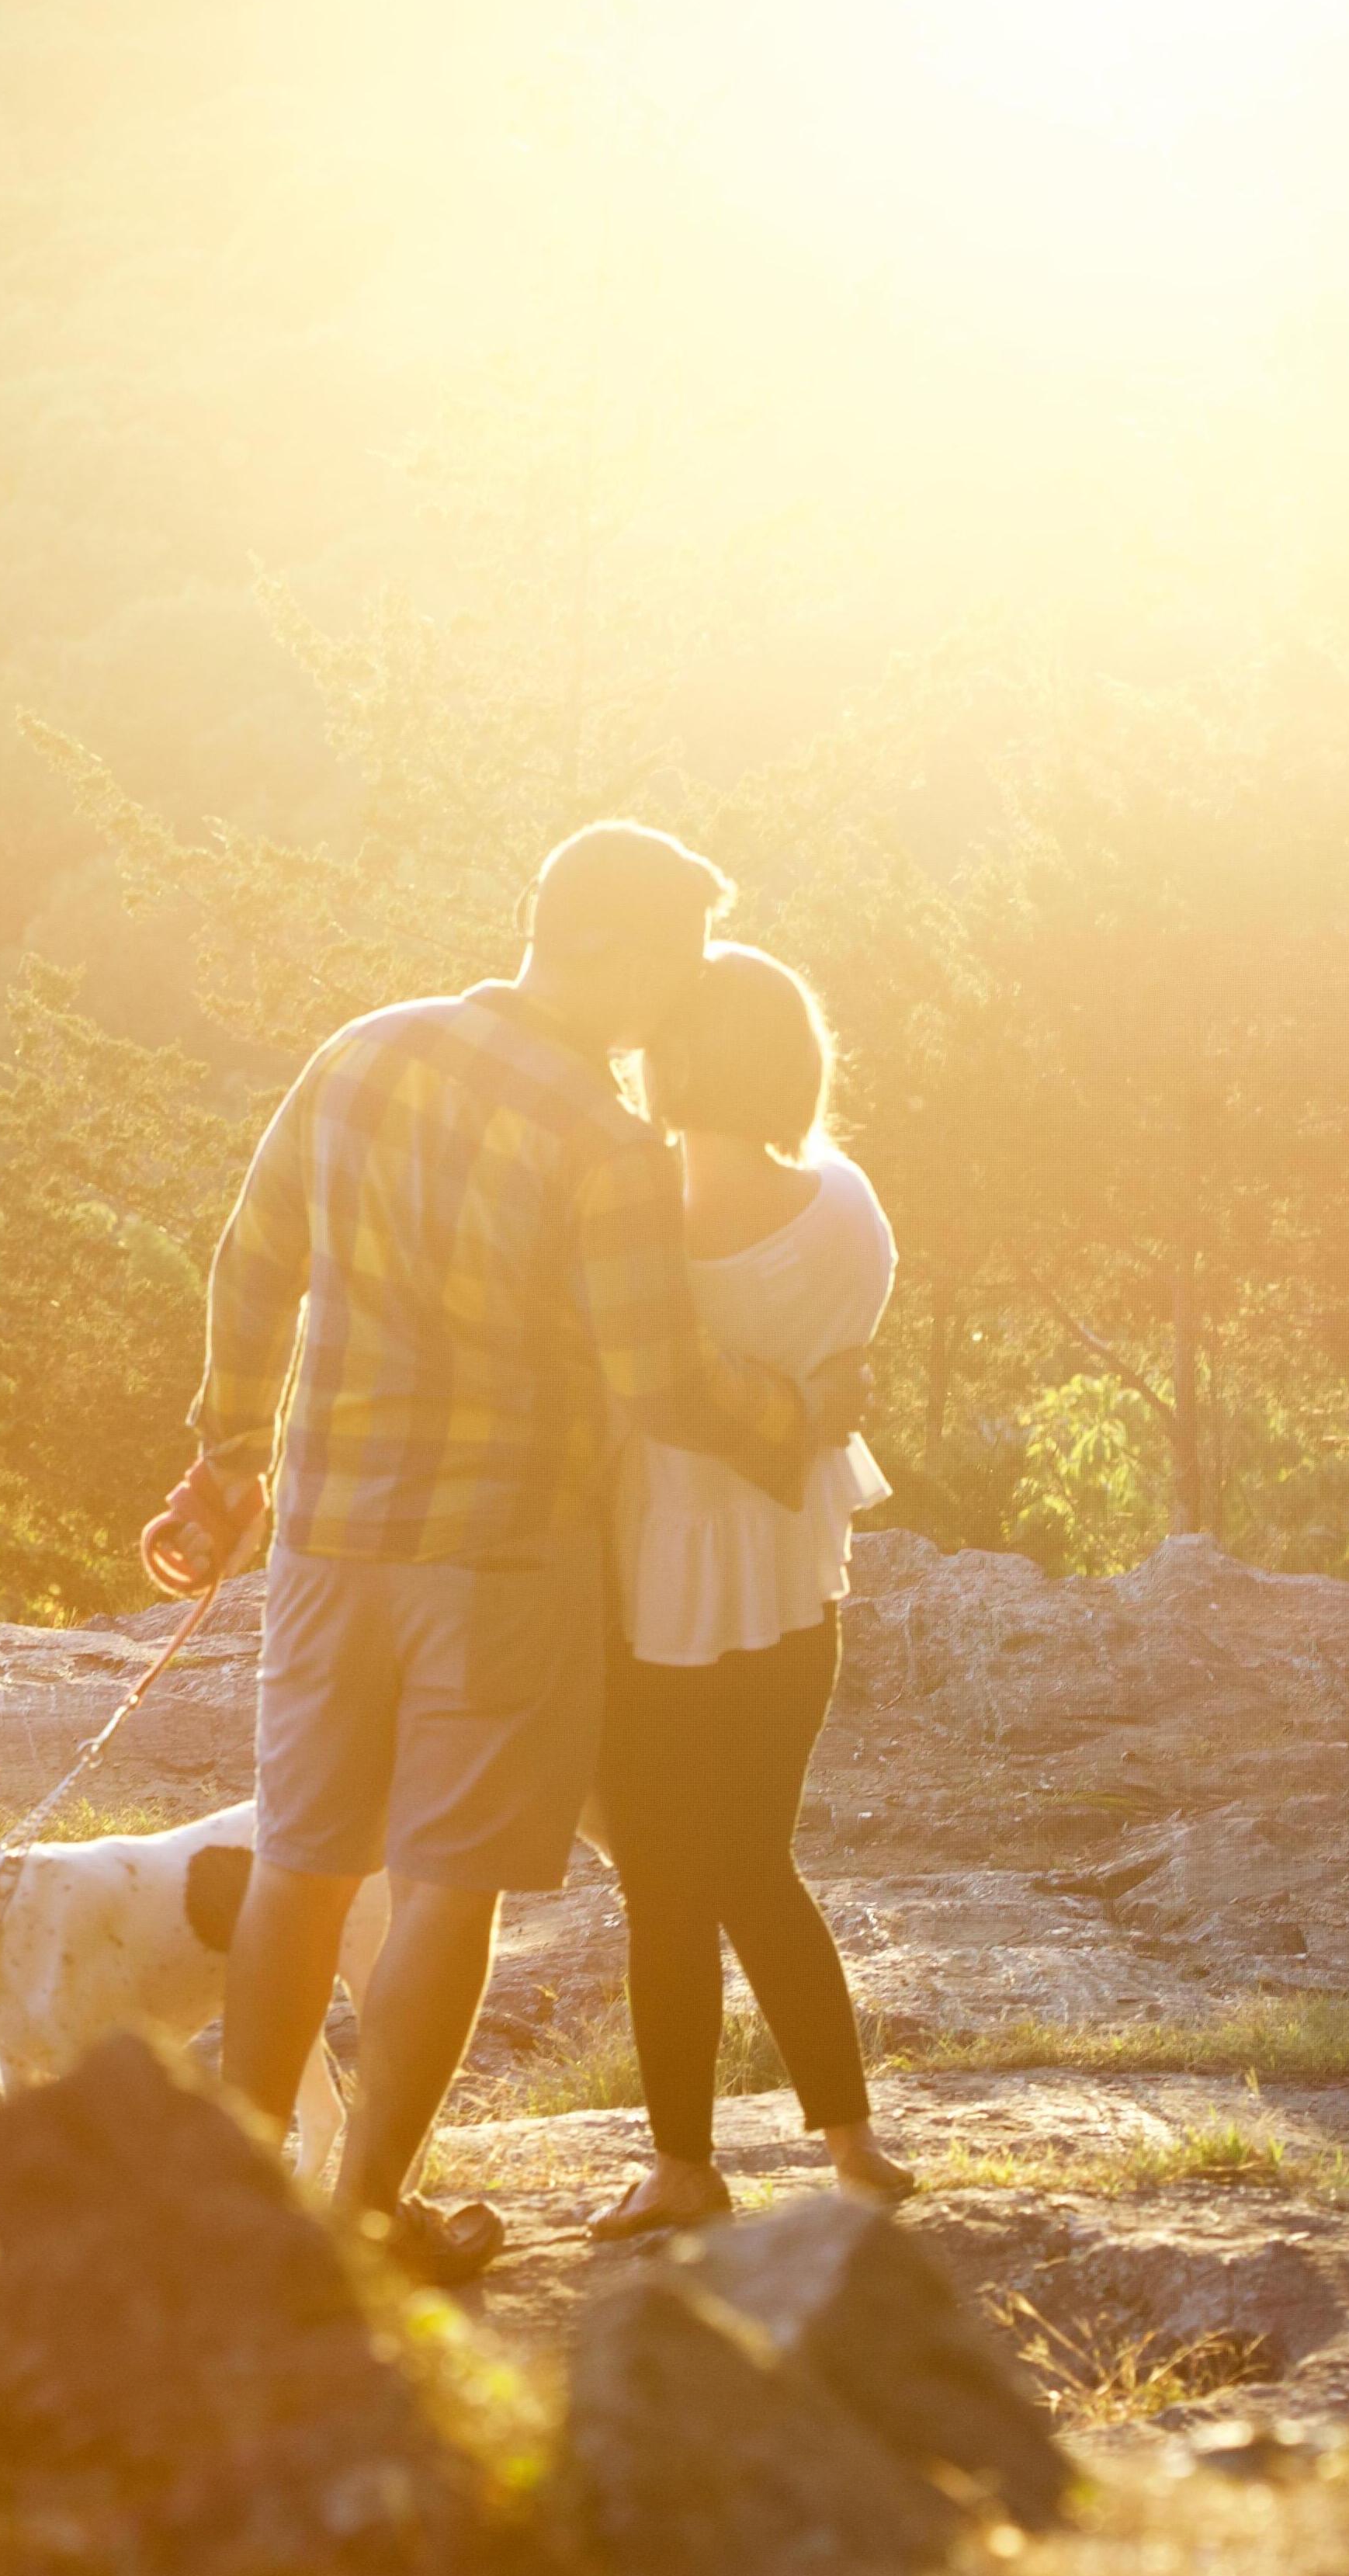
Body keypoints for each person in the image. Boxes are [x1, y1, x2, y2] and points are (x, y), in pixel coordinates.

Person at [144, 823, 869, 2285]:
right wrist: (790, 1415)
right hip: (502, 1561)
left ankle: (232, 2200)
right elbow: (660, 1382)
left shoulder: (357, 1052)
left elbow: (250, 1257)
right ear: (603, 943)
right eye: (669, 963)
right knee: (444, 1885)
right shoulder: (599, 1147)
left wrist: (226, 1455)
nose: (676, 1003)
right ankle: (359, 2217)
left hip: (332, 1536)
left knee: (300, 1863)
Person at [587, 943, 914, 2237]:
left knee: (663, 1882)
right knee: (757, 1861)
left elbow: (610, 1386)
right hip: (789, 1569)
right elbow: (838, 1374)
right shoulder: (848, 1207)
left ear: (667, 1061)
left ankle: (683, 2166)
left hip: (646, 1579)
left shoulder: (633, 1221)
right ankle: (848, 2139)